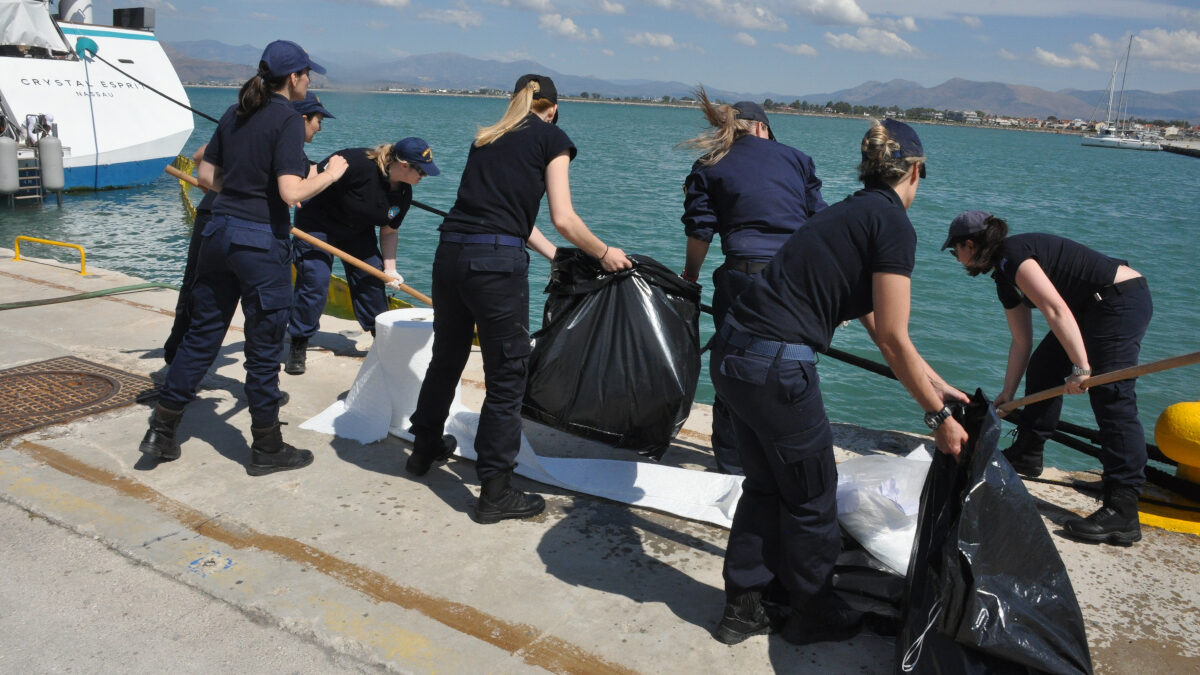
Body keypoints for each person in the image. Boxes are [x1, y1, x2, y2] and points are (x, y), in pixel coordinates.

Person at [708, 119, 969, 646]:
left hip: (732, 352)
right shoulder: (893, 224)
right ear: (915, 171)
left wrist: (933, 383)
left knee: (765, 485)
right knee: (812, 495)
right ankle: (810, 611)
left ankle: (745, 606)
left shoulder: (846, 212)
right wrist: (938, 418)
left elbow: (878, 325)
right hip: (774, 365)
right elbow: (894, 337)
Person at [405, 74, 632, 524]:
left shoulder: (487, 138)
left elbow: (508, 214)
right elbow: (564, 217)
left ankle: (424, 447)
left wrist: (553, 256)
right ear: (552, 109)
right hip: (494, 267)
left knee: (447, 357)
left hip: (450, 254)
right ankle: (495, 490)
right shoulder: (552, 138)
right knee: (507, 374)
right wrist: (604, 254)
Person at [139, 40, 348, 474]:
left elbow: (206, 174)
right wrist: (329, 175)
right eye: (308, 76)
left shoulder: (236, 112)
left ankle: (161, 432)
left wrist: (242, 193)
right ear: (293, 78)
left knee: (202, 337)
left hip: (217, 234)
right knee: (264, 345)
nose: (309, 83)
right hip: (258, 245)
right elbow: (291, 192)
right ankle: (267, 448)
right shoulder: (287, 119)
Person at [943, 211, 1152, 545]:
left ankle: (1123, 509)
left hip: (1118, 300)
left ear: (970, 244)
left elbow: (1055, 309)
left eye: (955, 251)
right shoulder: (1003, 277)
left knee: (1111, 396)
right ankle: (1028, 453)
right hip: (1088, 308)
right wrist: (1007, 394)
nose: (957, 259)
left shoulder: (1013, 255)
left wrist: (1081, 368)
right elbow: (1021, 340)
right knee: (1042, 368)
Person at [680, 88, 826, 475]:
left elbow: (700, 232)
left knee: (733, 367)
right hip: (798, 282)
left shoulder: (709, 164)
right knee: (794, 366)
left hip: (744, 278)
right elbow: (822, 226)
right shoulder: (798, 160)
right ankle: (788, 459)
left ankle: (731, 465)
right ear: (763, 128)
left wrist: (690, 276)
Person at [164, 93, 334, 366]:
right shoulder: (284, 145)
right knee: (258, 307)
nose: (320, 128)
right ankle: (255, 378)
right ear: (300, 119)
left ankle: (176, 356)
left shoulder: (253, 134)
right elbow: (296, 187)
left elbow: (200, 157)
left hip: (214, 216)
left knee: (196, 288)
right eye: (317, 121)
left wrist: (229, 189)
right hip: (242, 223)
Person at [285, 138, 438, 374]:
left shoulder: (403, 194)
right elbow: (312, 173)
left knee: (372, 280)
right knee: (315, 280)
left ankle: (382, 338)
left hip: (356, 231)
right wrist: (292, 195)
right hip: (317, 225)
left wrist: (390, 269)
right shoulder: (356, 162)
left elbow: (389, 231)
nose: (424, 177)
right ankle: (299, 342)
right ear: (404, 165)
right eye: (422, 171)